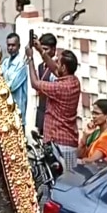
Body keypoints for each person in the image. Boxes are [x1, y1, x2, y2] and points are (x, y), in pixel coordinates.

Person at [26, 42, 81, 171]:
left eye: (59, 62)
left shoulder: (60, 87)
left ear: (64, 67)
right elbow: (56, 70)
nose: (56, 63)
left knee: (60, 182)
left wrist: (30, 59)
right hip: (68, 142)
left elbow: (35, 83)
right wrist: (40, 49)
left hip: (58, 144)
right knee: (68, 181)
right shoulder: (74, 82)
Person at [78, 99, 107, 164]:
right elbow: (79, 155)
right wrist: (85, 135)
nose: (93, 116)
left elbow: (92, 161)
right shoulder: (97, 133)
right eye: (93, 113)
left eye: (97, 113)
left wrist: (83, 160)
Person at [0, 33, 28, 124]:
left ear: (19, 46)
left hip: (17, 110)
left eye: (13, 45)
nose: (10, 48)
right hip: (5, 110)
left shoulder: (22, 64)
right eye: (8, 45)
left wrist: (0, 87)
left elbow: (11, 86)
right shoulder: (5, 62)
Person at [35, 33, 58, 134]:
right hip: (42, 110)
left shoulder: (57, 67)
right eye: (41, 48)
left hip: (53, 115)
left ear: (53, 50)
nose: (43, 52)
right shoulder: (41, 66)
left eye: (46, 49)